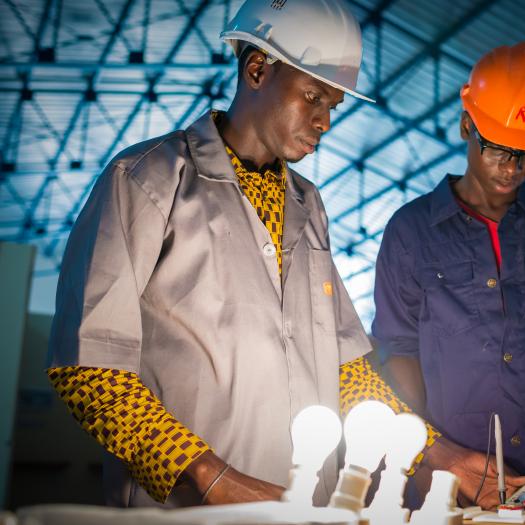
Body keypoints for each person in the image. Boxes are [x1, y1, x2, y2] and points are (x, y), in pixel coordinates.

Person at [46, 0, 437, 508]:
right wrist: (212, 477)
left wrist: (432, 449)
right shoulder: (147, 179)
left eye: (333, 105)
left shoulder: (308, 205)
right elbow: (89, 366)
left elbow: (347, 370)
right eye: (313, 97)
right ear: (257, 70)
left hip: (306, 507)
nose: (324, 120)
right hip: (186, 511)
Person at [372, 42, 525, 516]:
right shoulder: (411, 232)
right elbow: (397, 351)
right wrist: (430, 454)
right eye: (498, 148)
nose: (512, 167)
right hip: (450, 490)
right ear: (468, 124)